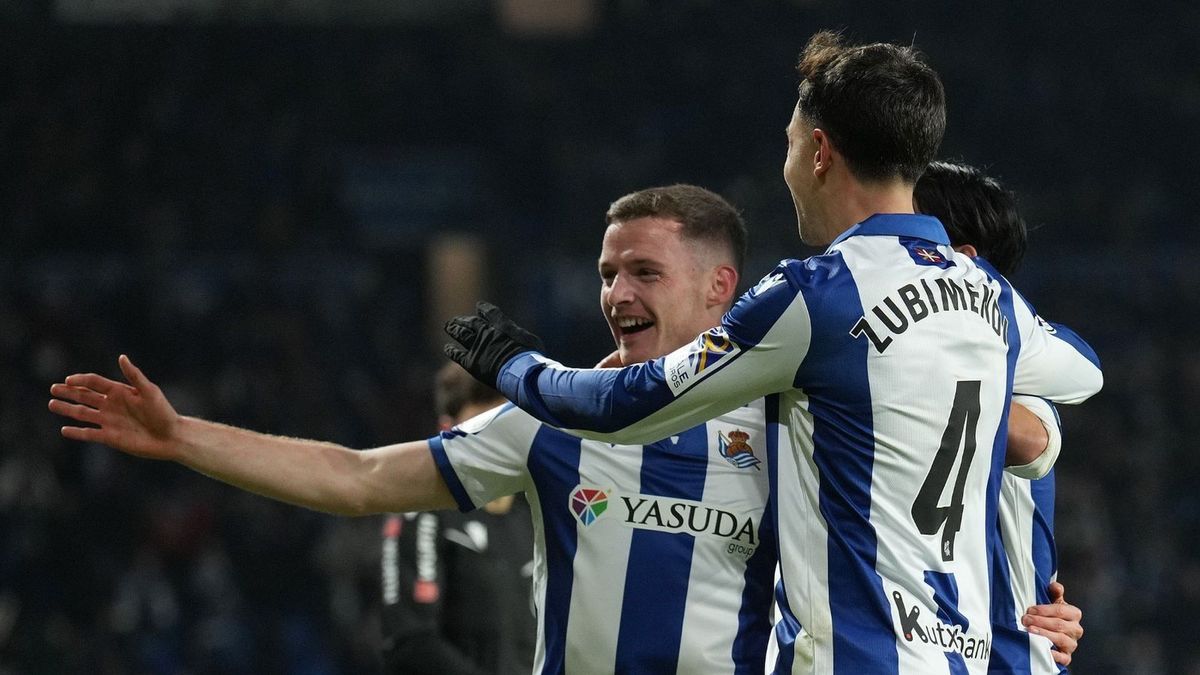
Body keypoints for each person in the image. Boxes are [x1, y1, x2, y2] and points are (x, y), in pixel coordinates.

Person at [443, 31, 1103, 673]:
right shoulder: (989, 297)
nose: (785, 169)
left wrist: (514, 365)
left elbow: (627, 404)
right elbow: (1083, 374)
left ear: (819, 153)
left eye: (789, 146)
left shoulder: (815, 296)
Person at [50, 185, 781, 673]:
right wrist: (181, 436)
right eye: (606, 272)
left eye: (644, 272)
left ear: (719, 287)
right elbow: (358, 478)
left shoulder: (790, 428)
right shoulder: (552, 422)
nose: (616, 293)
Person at [915, 160, 1083, 672]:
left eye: (909, 226)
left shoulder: (1024, 380)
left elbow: (1033, 442)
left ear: (964, 262)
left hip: (1004, 656)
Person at [380, 363, 534, 675]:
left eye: (507, 427)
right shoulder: (424, 513)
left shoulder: (538, 516)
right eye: (482, 429)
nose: (499, 442)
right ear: (447, 429)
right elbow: (410, 643)